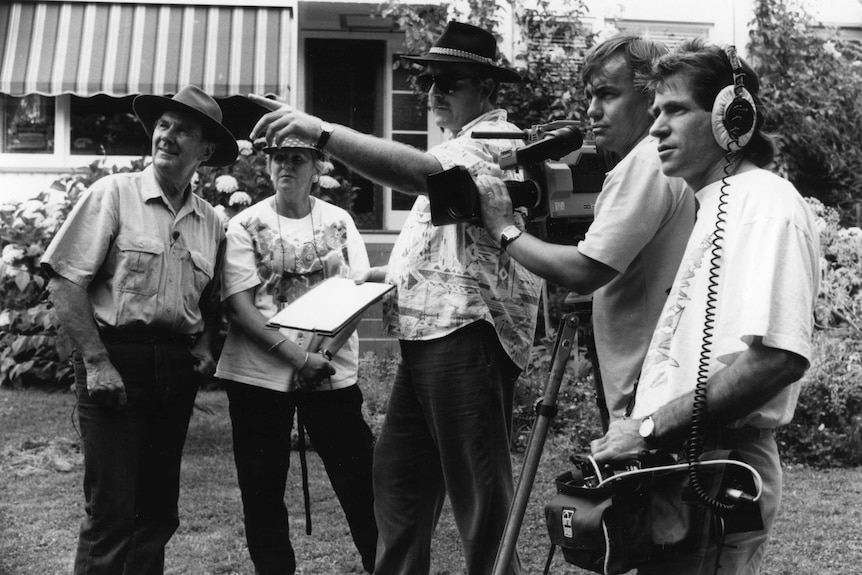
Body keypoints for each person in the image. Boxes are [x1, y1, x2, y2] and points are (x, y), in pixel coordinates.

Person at [248, 21, 543, 575]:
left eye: (449, 82)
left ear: (487, 90)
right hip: (427, 335)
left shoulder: (498, 142)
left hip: (466, 337)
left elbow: (421, 176)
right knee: (399, 482)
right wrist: (387, 273)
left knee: (480, 497)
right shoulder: (461, 145)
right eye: (429, 81)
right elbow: (457, 248)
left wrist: (321, 131)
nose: (433, 94)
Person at [590, 39, 820, 574]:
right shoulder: (716, 205)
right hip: (685, 467)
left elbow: (777, 358)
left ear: (730, 118)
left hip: (716, 471)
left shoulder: (765, 205)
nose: (654, 128)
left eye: (675, 110)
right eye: (653, 112)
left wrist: (645, 430)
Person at [40, 85, 238, 574]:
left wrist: (205, 346)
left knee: (156, 513)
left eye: (183, 130)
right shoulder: (113, 194)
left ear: (205, 150)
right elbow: (65, 282)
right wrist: (97, 361)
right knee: (111, 513)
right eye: (164, 125)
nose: (166, 136)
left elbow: (211, 301)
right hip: (115, 364)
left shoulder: (211, 222)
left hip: (173, 372)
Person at [477, 35, 695, 422]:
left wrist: (504, 229)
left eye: (608, 94)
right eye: (590, 96)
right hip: (663, 382)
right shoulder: (670, 159)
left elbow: (583, 270)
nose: (592, 110)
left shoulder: (645, 163)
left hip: (645, 395)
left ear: (651, 98)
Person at [214, 136, 377, 574]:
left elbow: (358, 293)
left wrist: (322, 353)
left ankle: (386, 566)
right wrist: (297, 358)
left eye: (298, 159)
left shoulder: (339, 221)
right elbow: (239, 305)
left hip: (328, 370)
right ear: (268, 167)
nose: (287, 166)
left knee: (362, 481)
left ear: (316, 167)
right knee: (262, 489)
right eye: (279, 158)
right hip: (258, 375)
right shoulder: (245, 224)